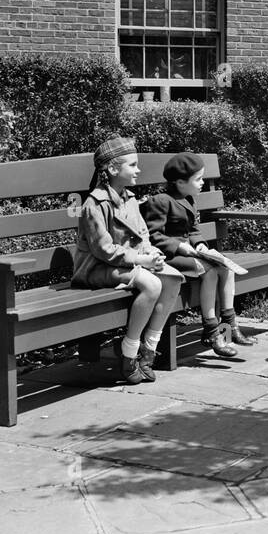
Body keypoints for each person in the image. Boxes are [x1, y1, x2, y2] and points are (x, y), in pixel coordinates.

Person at [72, 136, 184, 384]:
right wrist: (143, 260)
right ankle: (129, 352)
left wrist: (151, 253)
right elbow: (104, 250)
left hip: (128, 262)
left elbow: (142, 232)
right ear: (112, 169)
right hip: (96, 268)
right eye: (132, 165)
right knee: (152, 284)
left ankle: (149, 350)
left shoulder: (129, 197)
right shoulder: (95, 204)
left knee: (173, 279)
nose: (138, 170)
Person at [141, 152, 253, 359]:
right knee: (209, 272)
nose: (201, 183)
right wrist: (182, 247)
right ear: (180, 182)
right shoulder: (160, 201)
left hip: (190, 253)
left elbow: (193, 230)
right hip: (168, 256)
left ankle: (229, 325)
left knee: (225, 268)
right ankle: (211, 331)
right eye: (198, 179)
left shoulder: (188, 198)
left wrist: (200, 245)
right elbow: (153, 236)